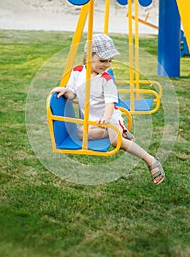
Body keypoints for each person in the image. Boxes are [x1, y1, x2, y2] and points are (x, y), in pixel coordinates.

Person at [50, 33, 165, 185]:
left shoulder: (106, 79)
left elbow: (111, 103)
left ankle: (150, 160)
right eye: (103, 60)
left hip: (109, 116)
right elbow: (72, 93)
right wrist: (65, 91)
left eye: (110, 61)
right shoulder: (77, 71)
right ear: (89, 56)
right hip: (91, 119)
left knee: (115, 141)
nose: (106, 65)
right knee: (78, 134)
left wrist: (106, 118)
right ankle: (117, 131)